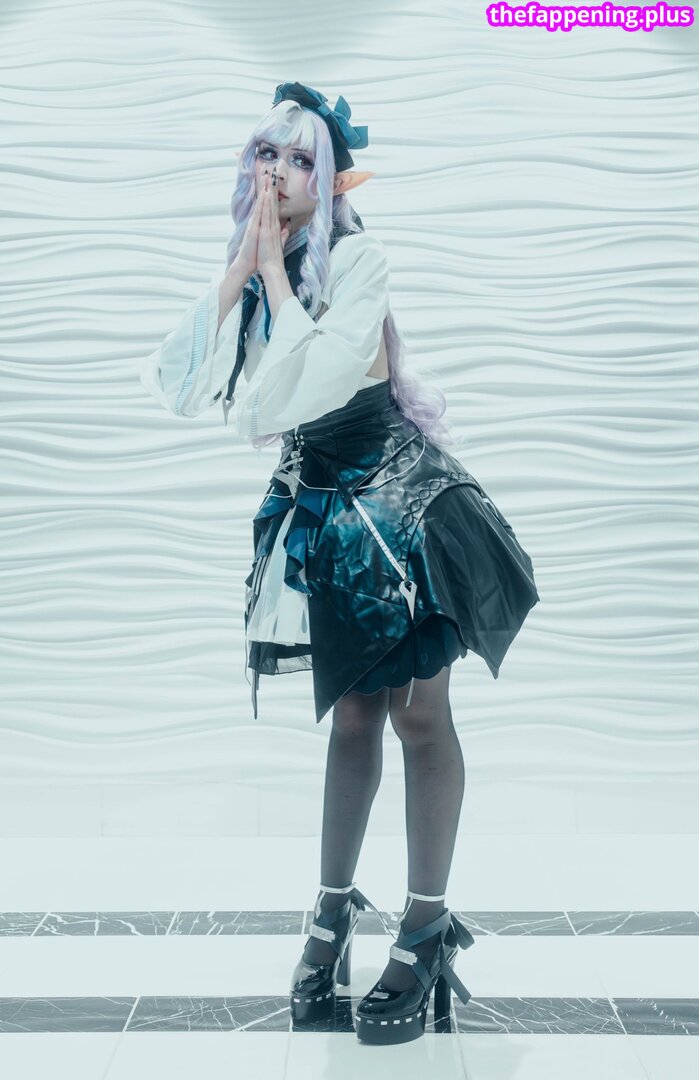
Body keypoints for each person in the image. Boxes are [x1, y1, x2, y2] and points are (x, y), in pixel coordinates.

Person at [139, 81, 540, 1045]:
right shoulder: (258, 270)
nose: (278, 172)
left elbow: (316, 379)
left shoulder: (359, 260)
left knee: (417, 715)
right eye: (265, 154)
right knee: (352, 713)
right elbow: (182, 388)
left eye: (299, 158)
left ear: (327, 180)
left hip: (403, 505)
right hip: (326, 509)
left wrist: (273, 282)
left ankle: (423, 929)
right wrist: (238, 275)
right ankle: (329, 919)